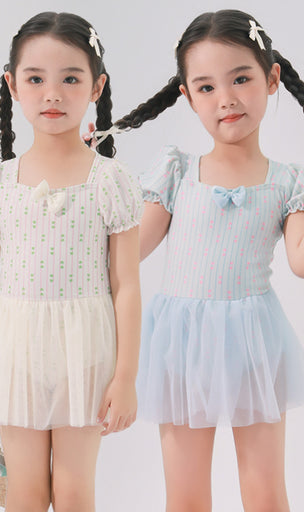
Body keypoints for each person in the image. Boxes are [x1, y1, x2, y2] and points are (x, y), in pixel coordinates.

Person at [108, 9, 304, 512]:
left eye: (241, 79)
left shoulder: (288, 181)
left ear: (272, 78)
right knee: (186, 496)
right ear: (188, 96)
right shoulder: (177, 171)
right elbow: (129, 251)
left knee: (265, 494)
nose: (226, 99)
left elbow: (300, 261)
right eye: (207, 87)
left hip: (255, 343)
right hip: (181, 343)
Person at [0, 12, 143, 512]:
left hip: (87, 352)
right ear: (13, 85)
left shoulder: (110, 180)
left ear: (96, 86)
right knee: (25, 490)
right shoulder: (0, 182)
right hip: (15, 349)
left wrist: (126, 376)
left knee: (74, 490)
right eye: (36, 79)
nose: (52, 94)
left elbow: (126, 284)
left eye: (71, 79)